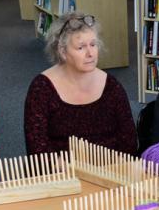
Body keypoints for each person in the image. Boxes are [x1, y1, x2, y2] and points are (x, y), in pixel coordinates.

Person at [24, 12, 137, 156]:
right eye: (81, 47)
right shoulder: (41, 89)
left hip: (110, 171)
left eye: (93, 44)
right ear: (63, 51)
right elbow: (37, 149)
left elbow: (129, 141)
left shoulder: (112, 86)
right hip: (62, 174)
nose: (90, 53)